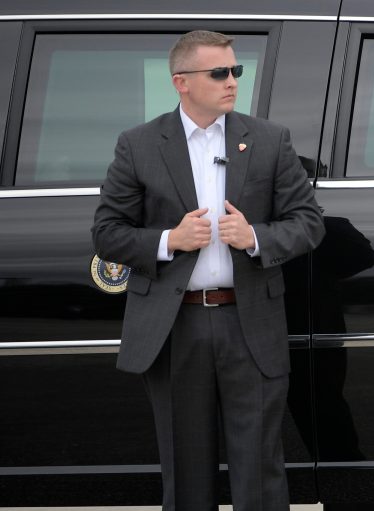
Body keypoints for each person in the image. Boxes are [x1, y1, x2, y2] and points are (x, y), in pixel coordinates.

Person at [92, 30, 325, 511]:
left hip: (250, 324)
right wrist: (167, 241)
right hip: (176, 328)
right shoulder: (138, 145)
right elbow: (108, 232)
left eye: (236, 71)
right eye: (218, 72)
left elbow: (308, 223)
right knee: (186, 474)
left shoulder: (268, 139)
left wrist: (256, 237)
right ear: (181, 82)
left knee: (260, 471)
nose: (232, 82)